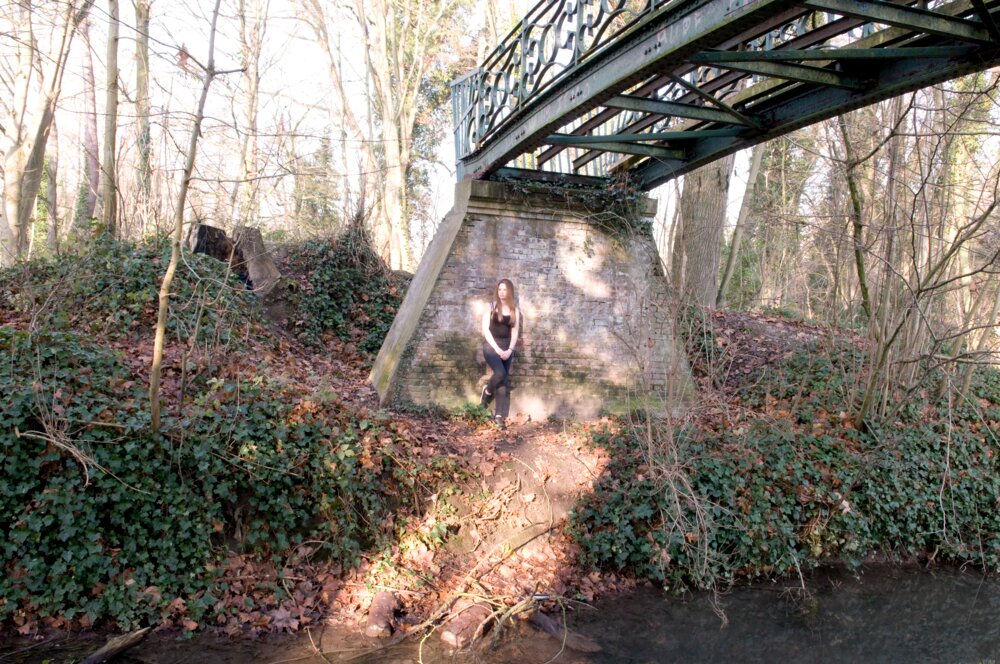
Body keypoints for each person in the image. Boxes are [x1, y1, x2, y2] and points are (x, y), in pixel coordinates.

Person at [480, 278, 519, 430]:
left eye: (505, 290)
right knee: (500, 373)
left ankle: (499, 416)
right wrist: (497, 349)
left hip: (507, 347)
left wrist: (509, 350)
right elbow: (486, 330)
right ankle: (487, 391)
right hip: (491, 346)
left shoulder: (515, 310)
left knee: (503, 380)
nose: (502, 292)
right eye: (500, 289)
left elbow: (515, 332)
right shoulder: (490, 307)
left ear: (510, 291)